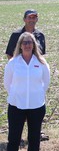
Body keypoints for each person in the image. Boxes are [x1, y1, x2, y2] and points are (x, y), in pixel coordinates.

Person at [3, 32, 50, 151]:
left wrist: (35, 96)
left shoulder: (42, 63)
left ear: (34, 45)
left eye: (30, 42)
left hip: (36, 107)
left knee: (34, 140)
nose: (28, 45)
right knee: (14, 140)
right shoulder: (13, 63)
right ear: (20, 45)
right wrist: (18, 95)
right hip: (16, 106)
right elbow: (7, 84)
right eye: (25, 42)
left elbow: (46, 83)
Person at [5, 9, 48, 142]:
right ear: (24, 19)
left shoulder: (40, 35)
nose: (32, 20)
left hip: (35, 74)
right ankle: (18, 132)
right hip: (20, 75)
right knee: (18, 108)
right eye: (29, 17)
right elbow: (9, 54)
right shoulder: (16, 35)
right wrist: (19, 69)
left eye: (34, 17)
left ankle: (36, 132)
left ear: (37, 19)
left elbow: (42, 56)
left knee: (35, 105)